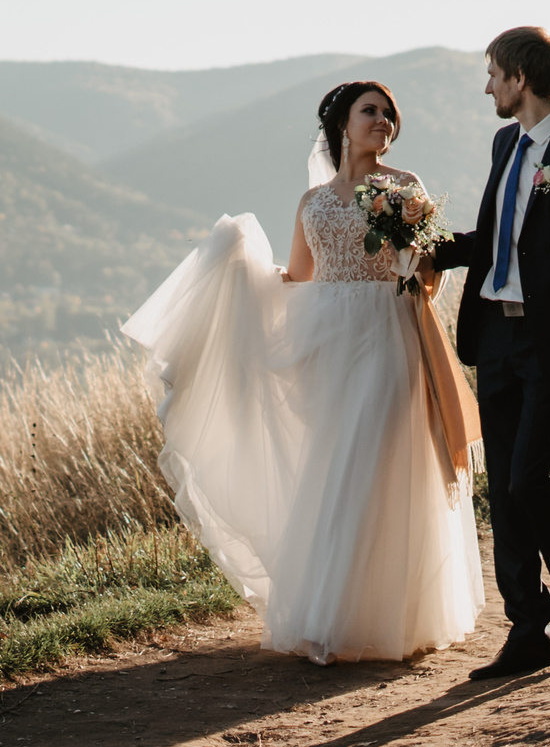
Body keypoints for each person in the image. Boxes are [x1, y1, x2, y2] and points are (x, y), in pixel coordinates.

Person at [122, 81, 484, 664]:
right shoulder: (312, 203)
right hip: (329, 346)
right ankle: (330, 615)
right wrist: (239, 273)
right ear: (342, 123)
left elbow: (426, 271)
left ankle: (387, 615)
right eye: (371, 111)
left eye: (389, 115)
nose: (383, 121)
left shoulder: (404, 189)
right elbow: (297, 278)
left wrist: (414, 256)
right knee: (333, 467)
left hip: (389, 336)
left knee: (376, 461)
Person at [427, 27, 550, 680]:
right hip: (496, 337)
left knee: (529, 478)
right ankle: (527, 631)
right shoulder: (504, 144)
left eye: (493, 74)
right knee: (505, 491)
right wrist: (427, 246)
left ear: (520, 78)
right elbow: (495, 238)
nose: (487, 86)